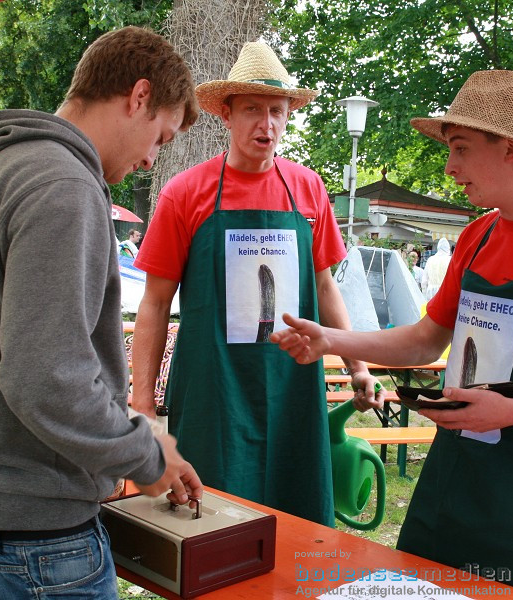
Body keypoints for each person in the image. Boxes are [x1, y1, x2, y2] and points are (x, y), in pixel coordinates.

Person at [272, 70, 513, 598]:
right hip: (457, 476)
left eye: (460, 148)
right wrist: (333, 340)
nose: (449, 166)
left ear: (510, 148)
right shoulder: (478, 237)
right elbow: (424, 341)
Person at [0, 27, 202, 599]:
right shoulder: (64, 186)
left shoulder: (10, 170)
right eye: (161, 135)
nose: (153, 159)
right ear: (138, 96)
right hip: (40, 541)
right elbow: (46, 375)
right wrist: (144, 455)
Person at [130, 41, 383, 526]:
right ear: (226, 114)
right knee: (211, 522)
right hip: (212, 390)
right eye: (251, 110)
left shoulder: (308, 188)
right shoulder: (186, 192)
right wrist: (143, 402)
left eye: (276, 111)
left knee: (299, 518)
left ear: (288, 116)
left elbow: (326, 286)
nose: (266, 124)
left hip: (294, 386)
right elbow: (155, 303)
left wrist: (358, 366)